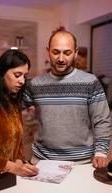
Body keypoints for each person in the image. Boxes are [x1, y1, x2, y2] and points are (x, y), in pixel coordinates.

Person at [26, 26, 112, 168]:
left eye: (67, 53)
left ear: (76, 53)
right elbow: (10, 109)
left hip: (82, 164)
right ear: (48, 51)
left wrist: (101, 152)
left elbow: (102, 120)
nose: (61, 58)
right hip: (43, 163)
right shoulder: (35, 84)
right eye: (55, 52)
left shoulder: (90, 82)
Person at [0, 49, 38, 177]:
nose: (22, 81)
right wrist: (13, 167)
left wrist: (20, 161)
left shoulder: (12, 101)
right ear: (1, 73)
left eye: (24, 76)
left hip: (11, 178)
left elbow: (18, 142)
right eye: (17, 75)